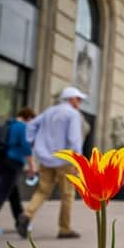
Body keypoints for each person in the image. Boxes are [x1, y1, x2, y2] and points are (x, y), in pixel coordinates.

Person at [16, 87, 85, 239]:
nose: (80, 102)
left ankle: (27, 215)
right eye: (79, 99)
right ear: (71, 99)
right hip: (65, 160)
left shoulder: (49, 111)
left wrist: (33, 143)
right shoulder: (73, 114)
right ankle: (64, 228)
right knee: (67, 194)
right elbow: (74, 139)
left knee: (42, 190)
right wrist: (78, 161)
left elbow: (31, 126)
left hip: (46, 158)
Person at [0, 108, 37, 235]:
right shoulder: (22, 127)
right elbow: (26, 147)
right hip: (12, 163)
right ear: (28, 118)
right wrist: (32, 167)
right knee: (2, 193)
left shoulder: (8, 125)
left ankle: (20, 222)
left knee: (12, 192)